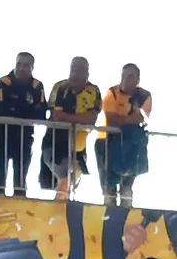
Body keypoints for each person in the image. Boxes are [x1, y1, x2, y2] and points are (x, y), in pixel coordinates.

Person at [94, 63, 152, 208]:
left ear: (138, 79)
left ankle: (126, 214)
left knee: (127, 186)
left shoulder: (145, 95)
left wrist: (123, 120)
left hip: (131, 144)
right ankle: (108, 215)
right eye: (123, 76)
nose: (125, 80)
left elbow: (142, 118)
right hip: (106, 141)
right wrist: (130, 119)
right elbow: (112, 121)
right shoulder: (111, 92)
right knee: (108, 187)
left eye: (130, 76)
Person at [42, 57, 100, 196]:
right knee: (64, 178)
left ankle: (62, 208)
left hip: (78, 148)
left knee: (72, 183)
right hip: (55, 143)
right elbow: (57, 116)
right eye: (72, 68)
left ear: (87, 73)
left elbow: (92, 119)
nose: (74, 73)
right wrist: (80, 120)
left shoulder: (93, 91)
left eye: (79, 70)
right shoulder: (60, 87)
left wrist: (69, 119)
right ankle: (59, 209)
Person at [0, 52, 45, 197]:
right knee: (0, 177)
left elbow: (41, 113)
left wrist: (19, 111)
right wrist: (27, 112)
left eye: (26, 65)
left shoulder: (37, 86)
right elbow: (3, 108)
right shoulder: (4, 82)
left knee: (20, 178)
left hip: (24, 135)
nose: (22, 68)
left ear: (32, 67)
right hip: (1, 133)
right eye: (19, 64)